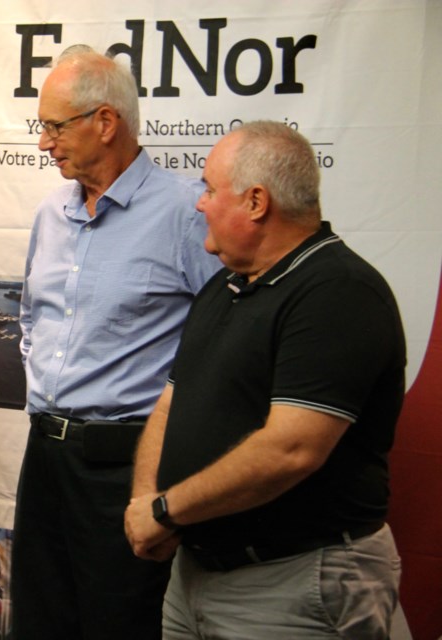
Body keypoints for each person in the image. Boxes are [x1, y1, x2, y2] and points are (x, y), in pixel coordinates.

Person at [124, 121, 406, 639]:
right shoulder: (225, 288)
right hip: (193, 580)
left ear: (256, 201)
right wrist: (146, 502)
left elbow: (291, 449)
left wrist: (165, 510)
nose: (199, 204)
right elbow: (172, 402)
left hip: (293, 586)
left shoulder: (338, 292)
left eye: (210, 189)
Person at [12, 47, 222, 639]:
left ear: (105, 123)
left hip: (129, 468)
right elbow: (32, 319)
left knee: (120, 623)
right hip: (45, 458)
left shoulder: (186, 212)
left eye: (54, 126)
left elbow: (222, 347)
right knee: (39, 621)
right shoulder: (51, 212)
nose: (43, 143)